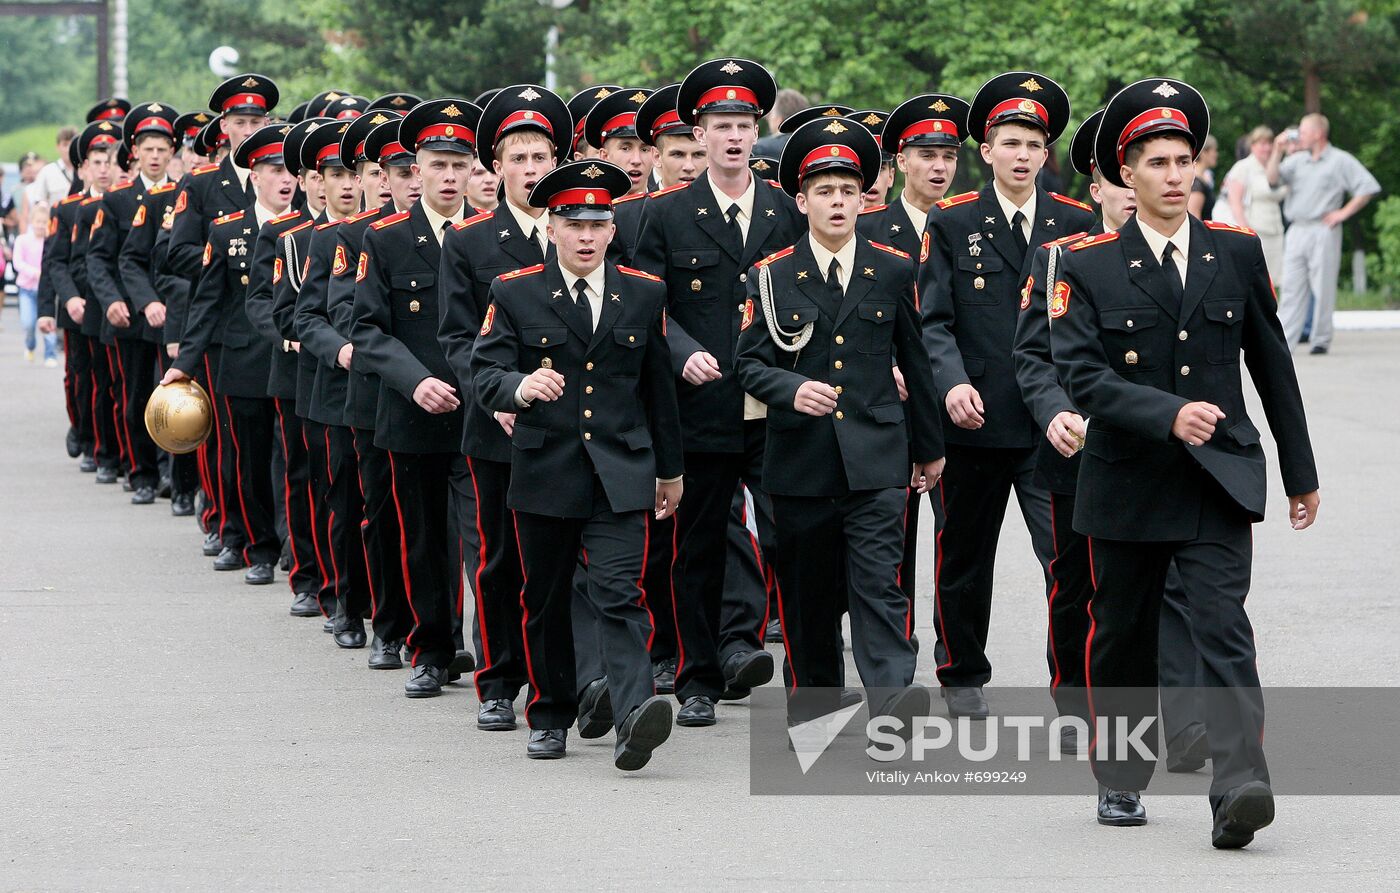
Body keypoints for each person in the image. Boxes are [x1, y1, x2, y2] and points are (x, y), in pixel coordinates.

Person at [1051, 77, 1319, 848]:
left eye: (1184, 160)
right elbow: (1083, 376)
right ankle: (1121, 776)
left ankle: (1238, 785)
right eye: (1157, 162)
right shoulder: (1086, 264)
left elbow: (1272, 365)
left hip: (1216, 476)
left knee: (1223, 626)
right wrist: (1165, 412)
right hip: (1127, 479)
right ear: (1125, 174)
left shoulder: (1235, 252)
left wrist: (1300, 473)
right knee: (1124, 635)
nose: (1175, 175)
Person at [468, 158, 682, 768]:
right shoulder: (515, 291)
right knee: (546, 596)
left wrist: (670, 471)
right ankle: (551, 713)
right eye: (573, 224)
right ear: (552, 228)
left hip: (622, 469)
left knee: (620, 592)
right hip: (546, 469)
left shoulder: (643, 291)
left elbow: (658, 392)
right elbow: (485, 370)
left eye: (597, 224)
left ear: (612, 229)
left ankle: (635, 713)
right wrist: (518, 388)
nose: (586, 236)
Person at [735, 116, 944, 725]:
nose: (836, 202)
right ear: (801, 202)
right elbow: (747, 364)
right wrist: (792, 389)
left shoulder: (893, 267)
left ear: (862, 199)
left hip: (877, 453)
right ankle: (816, 705)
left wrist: (929, 447)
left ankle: (891, 696)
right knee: (809, 595)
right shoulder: (772, 275)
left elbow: (917, 361)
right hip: (801, 460)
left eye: (847, 191)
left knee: (879, 581)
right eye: (823, 191)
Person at [633, 57, 806, 728]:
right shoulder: (666, 214)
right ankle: (697, 675)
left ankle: (804, 679)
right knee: (698, 546)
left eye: (742, 125)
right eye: (720, 125)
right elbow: (647, 304)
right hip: (701, 407)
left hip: (774, 407)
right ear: (698, 135)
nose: (733, 137)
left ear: (756, 130)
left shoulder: (787, 210)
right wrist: (682, 352)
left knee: (793, 540)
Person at [918, 71, 1095, 719]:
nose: (1022, 156)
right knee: (964, 557)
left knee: (1068, 562)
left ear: (1047, 155)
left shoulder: (1076, 222)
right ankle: (962, 671)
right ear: (987, 150)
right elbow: (933, 320)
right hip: (975, 418)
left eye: (1033, 145)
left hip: (1053, 425)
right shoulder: (952, 219)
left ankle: (1074, 690)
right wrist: (951, 382)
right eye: (1010, 143)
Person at [438, 85, 572, 731]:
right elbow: (457, 338)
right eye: (518, 158)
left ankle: (571, 678)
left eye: (540, 157)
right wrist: (500, 397)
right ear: (495, 168)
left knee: (566, 560)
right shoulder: (469, 242)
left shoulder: (586, 229)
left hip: (573, 426)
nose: (530, 169)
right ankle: (498, 679)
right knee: (498, 561)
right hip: (498, 426)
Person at [351, 98, 482, 699]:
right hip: (414, 411)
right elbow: (368, 328)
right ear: (415, 170)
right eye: (437, 165)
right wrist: (414, 380)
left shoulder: (493, 236)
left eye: (459, 164)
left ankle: (497, 656)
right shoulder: (386, 240)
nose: (449, 177)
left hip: (483, 411)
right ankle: (431, 648)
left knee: (485, 540)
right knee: (424, 538)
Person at [160, 123, 298, 586]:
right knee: (248, 460)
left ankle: (296, 547)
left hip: (294, 360)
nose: (285, 180)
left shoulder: (306, 229)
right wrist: (183, 364)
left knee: (295, 461)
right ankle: (257, 547)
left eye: (290, 171)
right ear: (254, 175)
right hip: (242, 359)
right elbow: (206, 304)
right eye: (274, 170)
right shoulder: (227, 231)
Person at [329, 114, 420, 667]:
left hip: (445, 396)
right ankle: (387, 625)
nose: (410, 181)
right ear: (382, 178)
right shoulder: (357, 234)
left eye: (415, 170)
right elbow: (345, 310)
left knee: (437, 523)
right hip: (377, 395)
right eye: (400, 172)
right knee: (383, 514)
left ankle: (437, 632)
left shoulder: (463, 231)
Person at [87, 101, 181, 506]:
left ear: (172, 152)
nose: (155, 157)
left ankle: (174, 476)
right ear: (135, 152)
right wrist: (110, 300)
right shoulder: (117, 199)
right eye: (148, 149)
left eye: (162, 149)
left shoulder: (183, 194)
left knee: (175, 398)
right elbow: (99, 258)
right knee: (135, 396)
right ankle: (141, 472)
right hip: (130, 315)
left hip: (173, 313)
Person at [1266, 113, 1381, 355]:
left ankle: (1320, 338)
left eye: (1304, 131)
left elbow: (1367, 186)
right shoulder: (1297, 160)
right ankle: (1285, 341)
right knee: (1292, 286)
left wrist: (1343, 213)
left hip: (1323, 228)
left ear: (1318, 133)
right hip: (1297, 227)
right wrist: (1277, 150)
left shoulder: (1340, 160)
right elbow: (1272, 180)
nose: (1299, 135)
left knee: (1323, 286)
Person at [1216, 126, 1287, 282]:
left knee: (1273, 281)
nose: (1266, 148)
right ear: (1253, 146)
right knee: (1252, 279)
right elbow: (1235, 202)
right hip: (1254, 230)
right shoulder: (1243, 167)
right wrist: (1246, 232)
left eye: (1269, 143)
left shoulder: (1274, 167)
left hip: (1274, 230)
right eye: (1262, 144)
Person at [16, 202, 58, 365]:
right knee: (28, 323)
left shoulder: (52, 240)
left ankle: (50, 354)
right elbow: (18, 263)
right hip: (27, 289)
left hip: (46, 290)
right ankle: (30, 344)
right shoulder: (22, 240)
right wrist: (36, 273)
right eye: (37, 221)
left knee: (49, 319)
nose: (40, 225)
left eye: (44, 222)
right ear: (31, 222)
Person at [1187, 134, 1217, 220]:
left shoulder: (1203, 178)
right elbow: (1194, 216)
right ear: (1204, 153)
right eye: (1214, 151)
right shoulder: (1197, 183)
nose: (1216, 154)